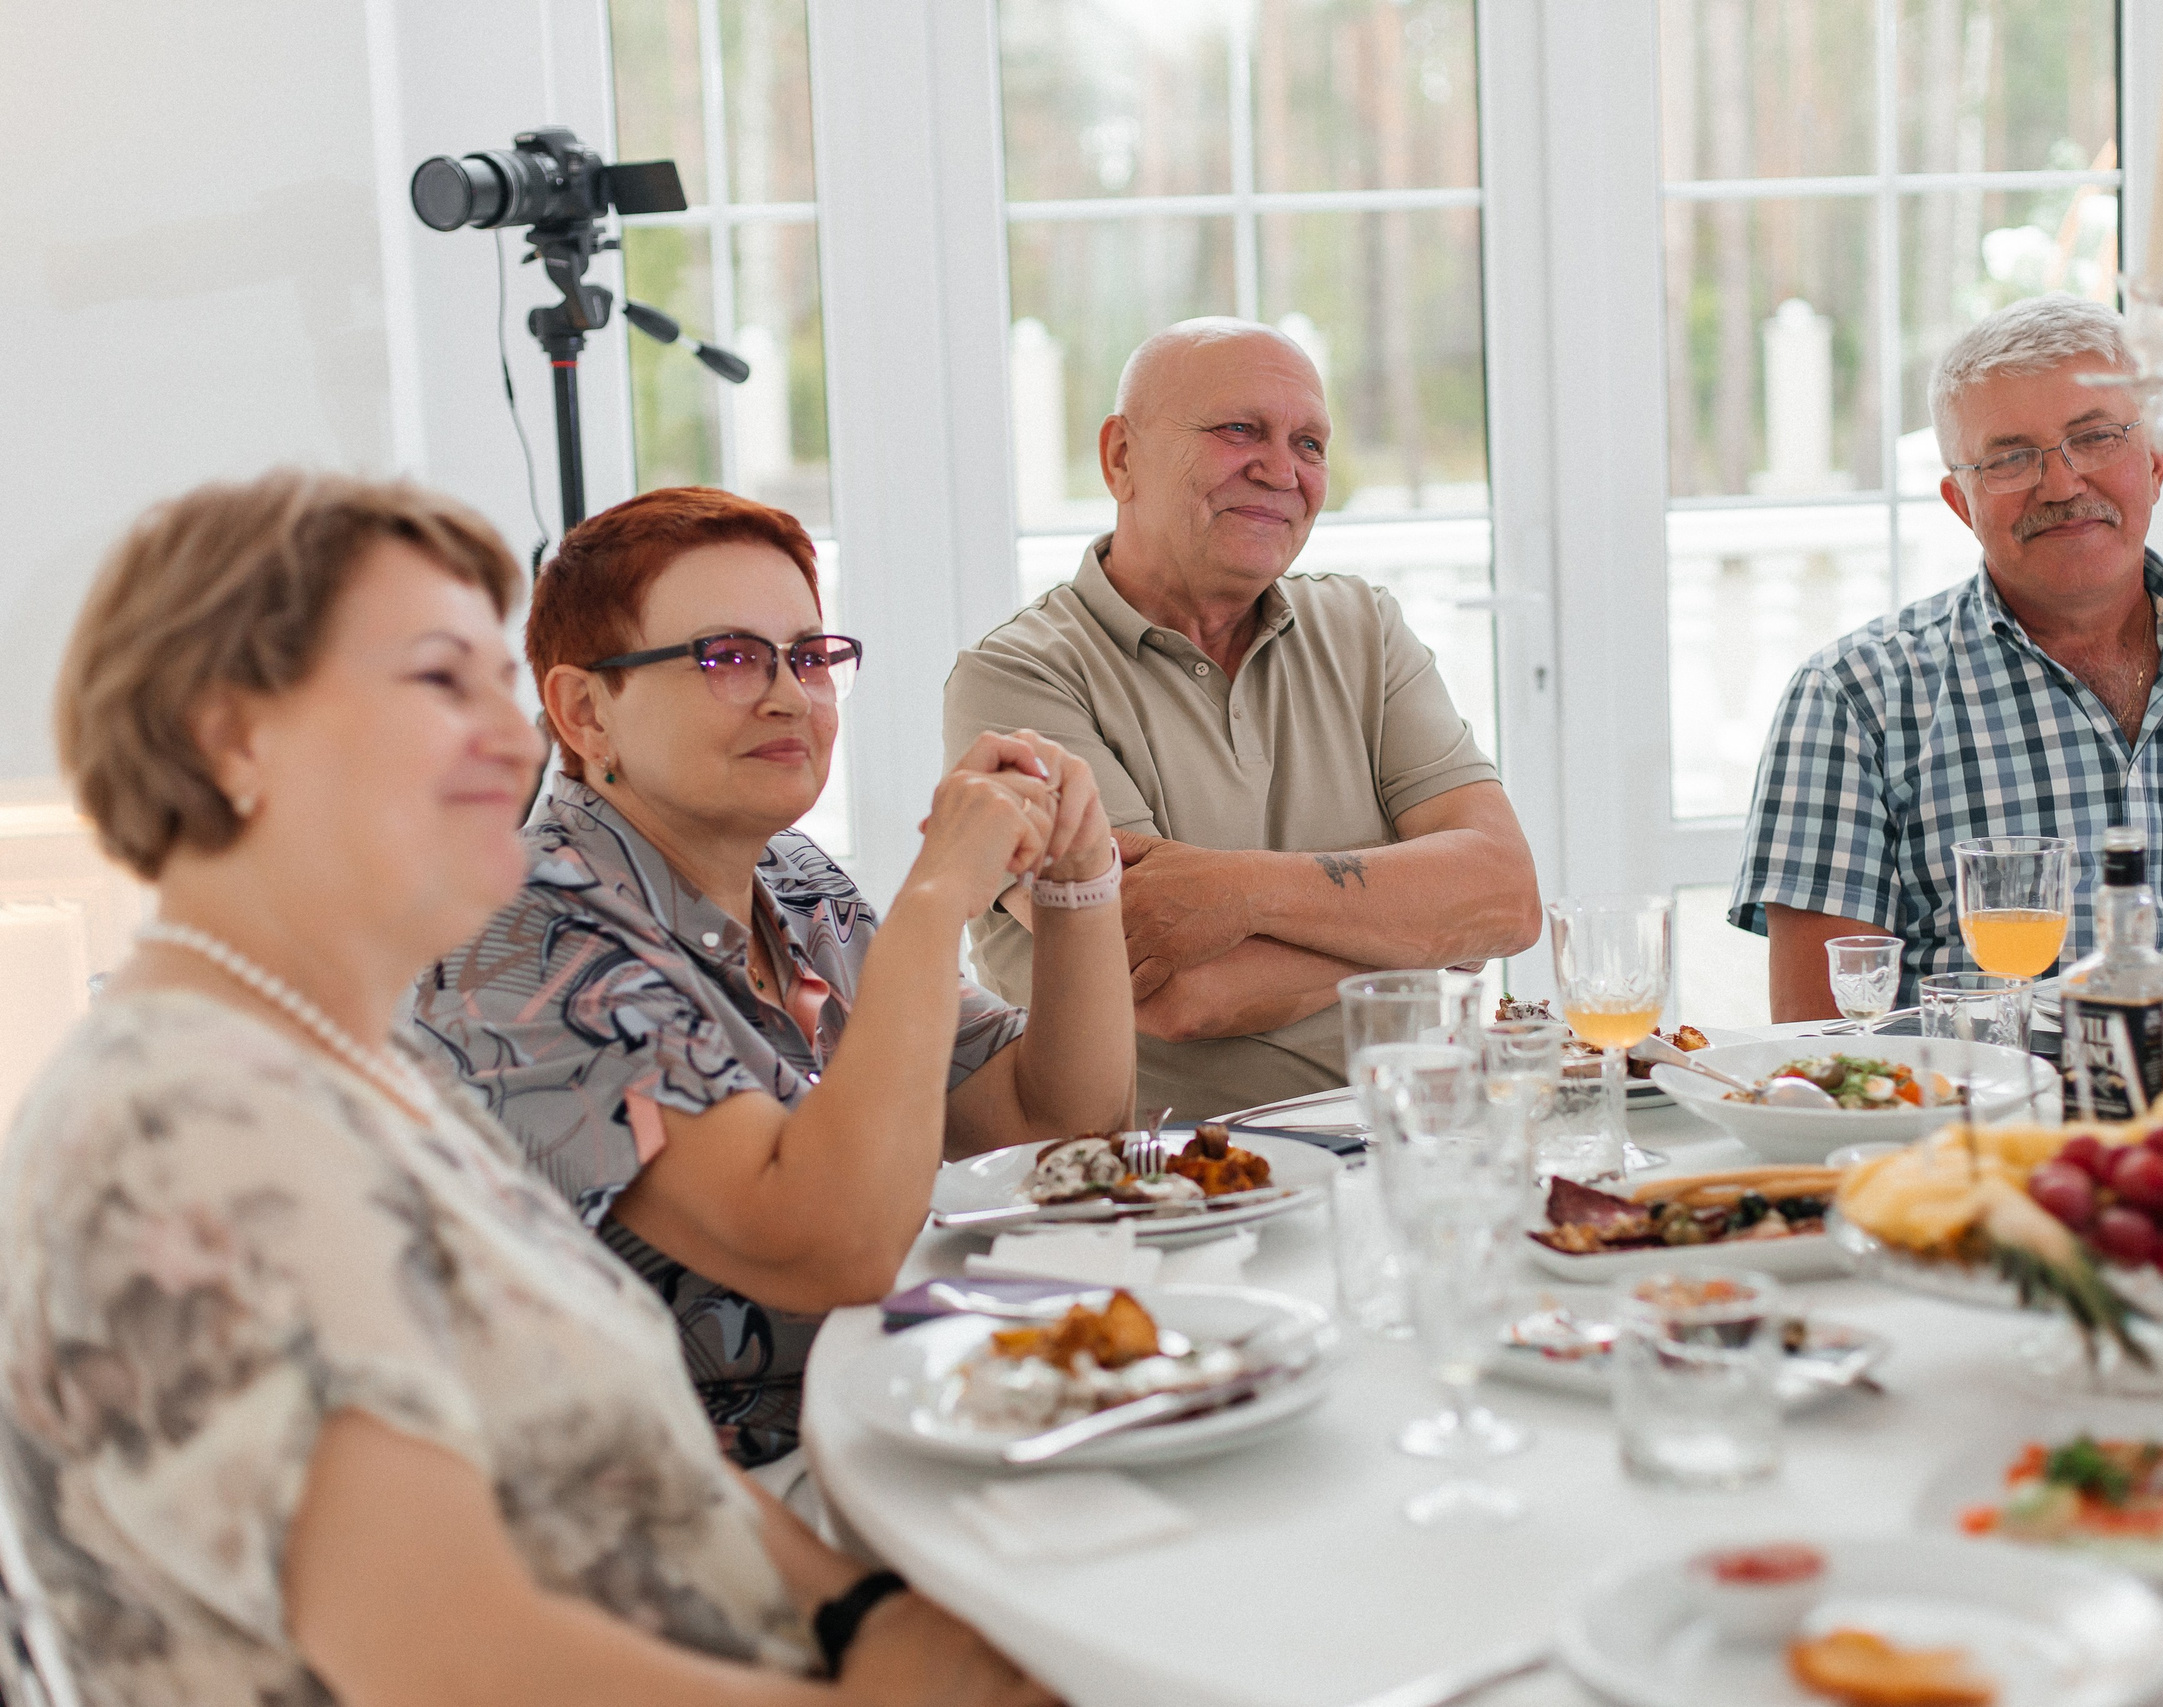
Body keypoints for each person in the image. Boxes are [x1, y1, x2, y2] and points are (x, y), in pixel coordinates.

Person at [11, 470, 1056, 1706]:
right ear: (237, 738)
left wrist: (865, 1614)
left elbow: (636, 1449)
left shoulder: (346, 1067)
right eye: (437, 680)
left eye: (496, 685)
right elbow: (452, 1662)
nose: (517, 740)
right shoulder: (180, 1122)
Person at [412, 487, 1132, 1503]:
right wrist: (935, 900)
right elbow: (832, 1249)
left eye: (809, 656)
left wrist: (1080, 877)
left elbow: (1050, 1120)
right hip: (676, 1508)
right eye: (727, 657)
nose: (791, 696)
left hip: (891, 1418)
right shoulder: (519, 932)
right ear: (584, 712)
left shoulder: (796, 879)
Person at [1730, 293, 2163, 1021]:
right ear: (1961, 504)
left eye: (2094, 438)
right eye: (2010, 458)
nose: (2061, 484)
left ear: (2154, 465)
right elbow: (1825, 1045)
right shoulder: (1851, 699)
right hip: (1986, 1096)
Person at [944, 318, 1542, 1118]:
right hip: (1157, 1167)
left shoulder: (1364, 627)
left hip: (1401, 1140)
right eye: (1238, 430)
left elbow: (1508, 898)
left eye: (1309, 444)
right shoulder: (1015, 680)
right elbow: (1180, 991)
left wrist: (1236, 892)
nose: (1281, 471)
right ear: (1121, 458)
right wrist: (1431, 935)